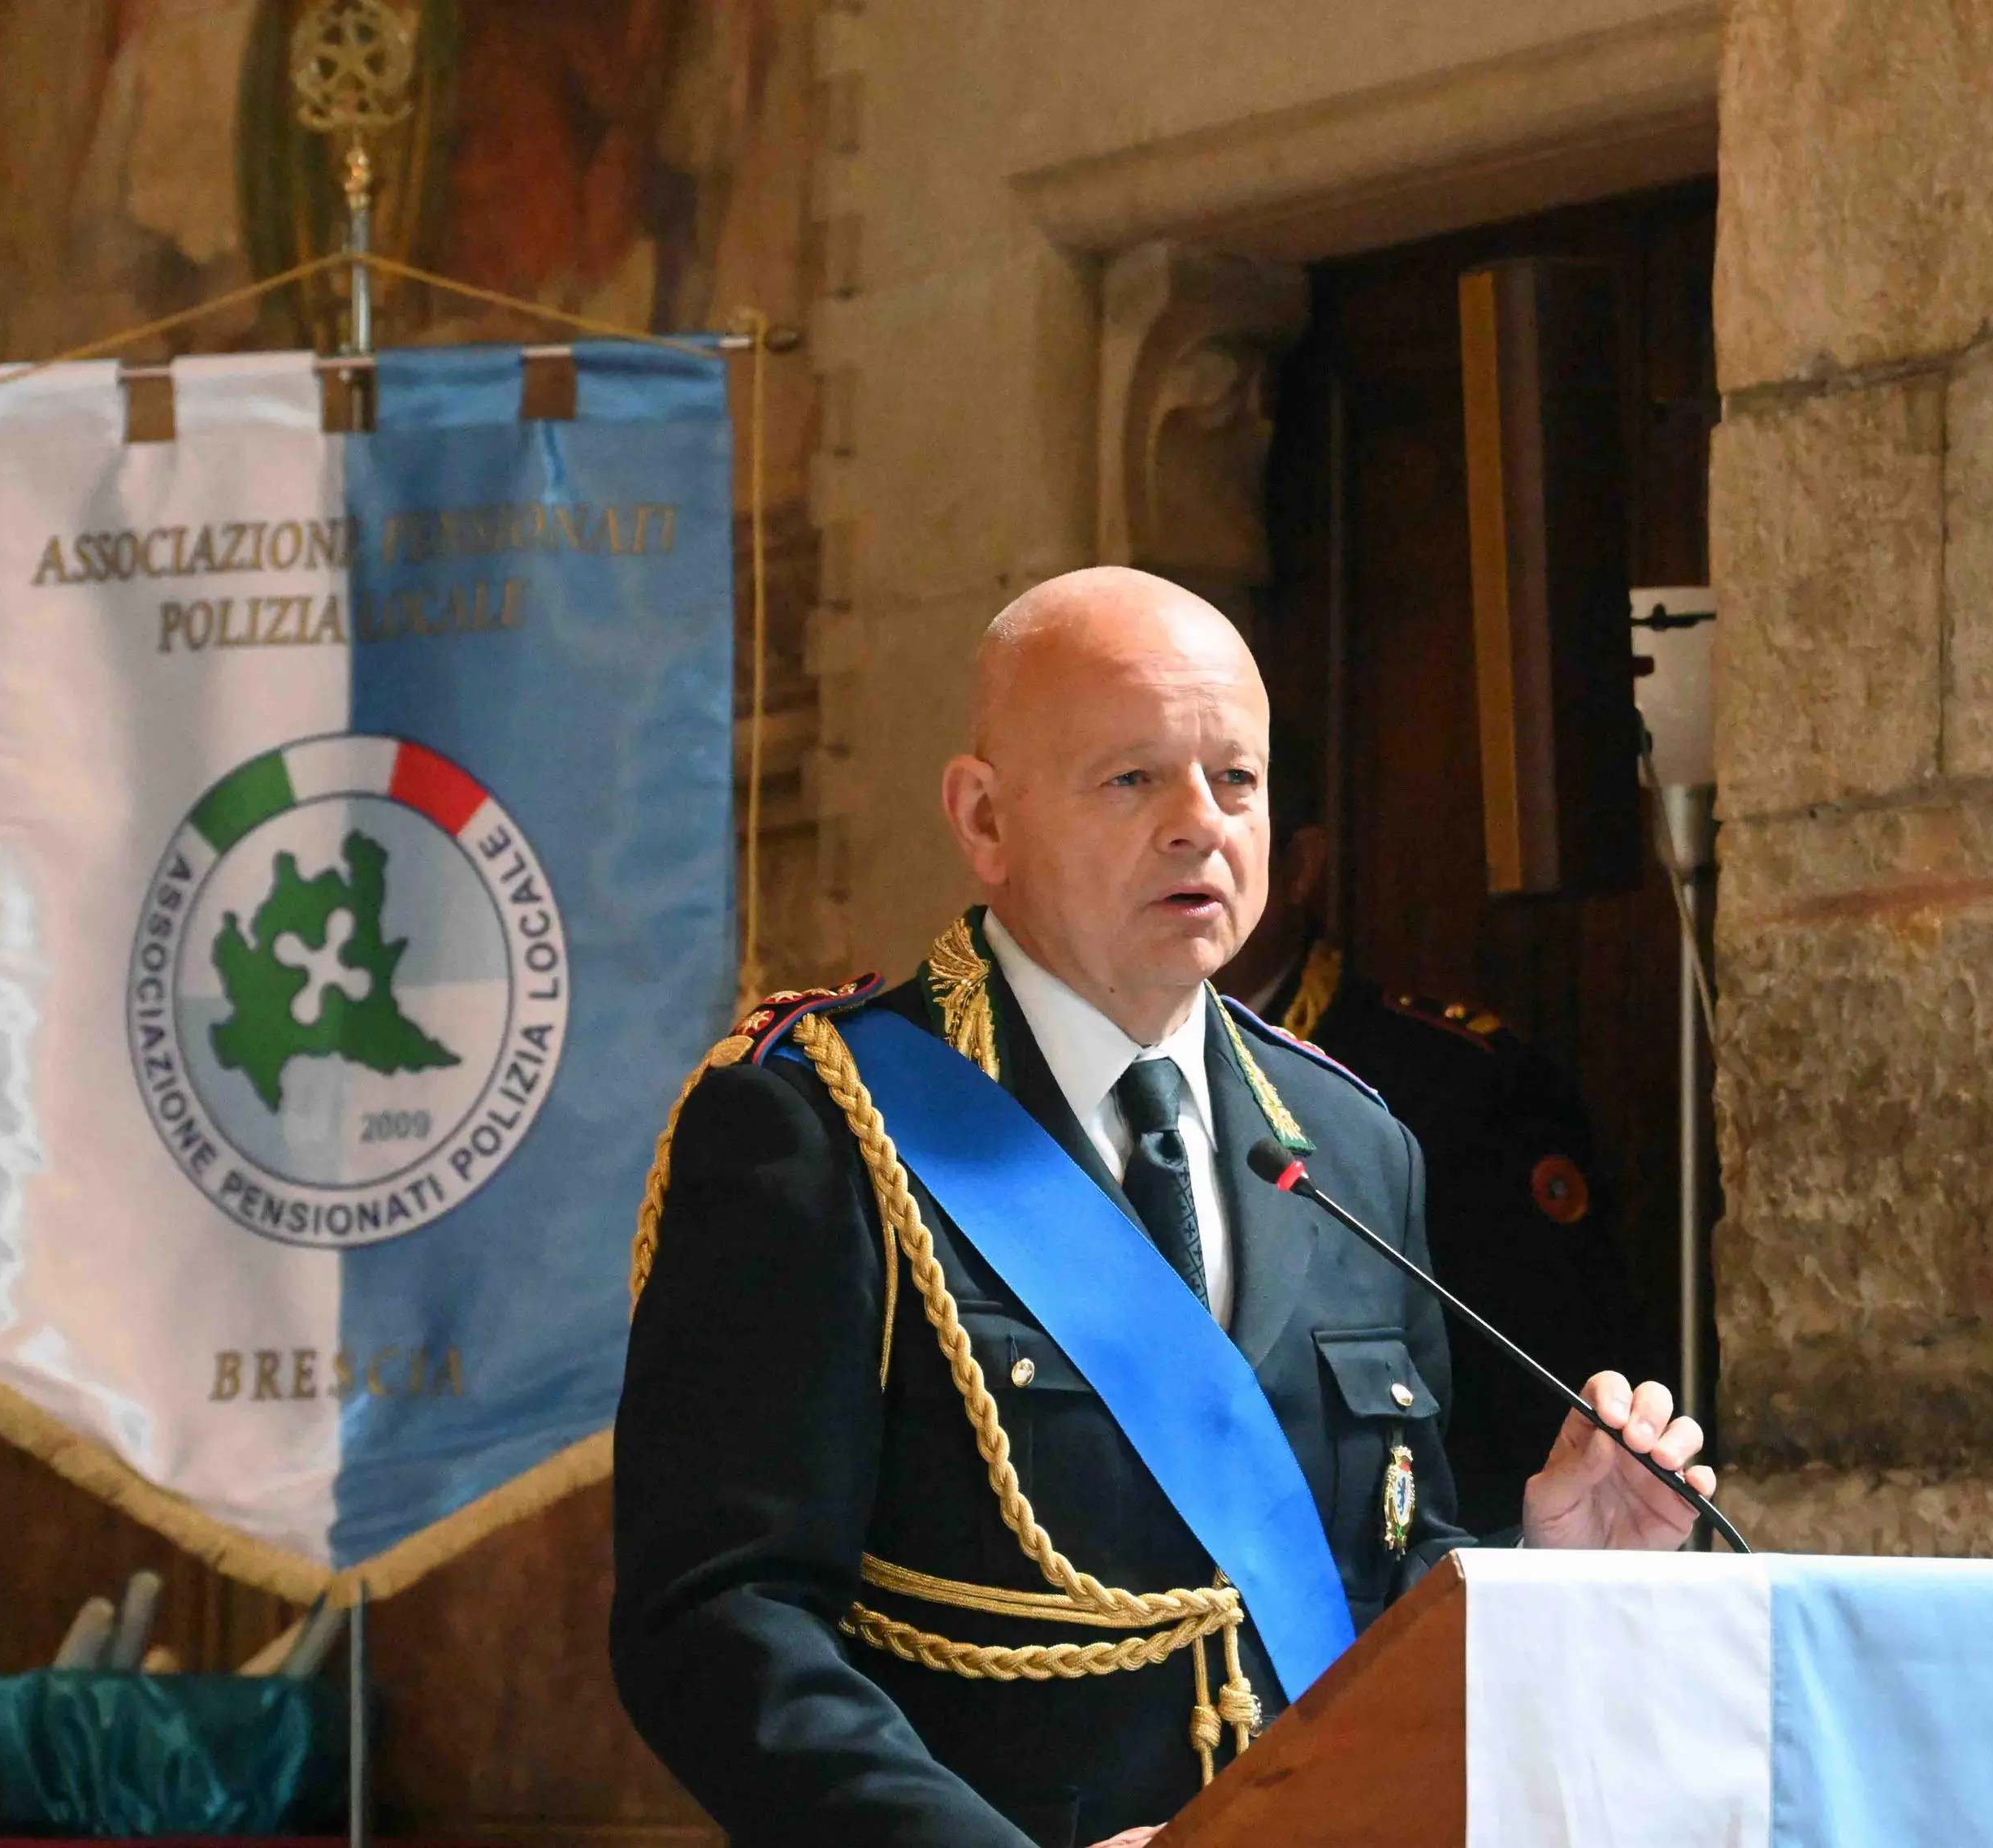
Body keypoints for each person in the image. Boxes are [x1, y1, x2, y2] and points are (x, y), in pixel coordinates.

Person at [611, 567, 1713, 1848]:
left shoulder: (1353, 1144)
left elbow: (1360, 1586)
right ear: (983, 817)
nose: (1200, 825)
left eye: (1235, 780)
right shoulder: (818, 1127)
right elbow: (720, 1619)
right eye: (1131, 779)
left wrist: (1541, 1572)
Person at [1215, 762, 1657, 1535]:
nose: (1184, 838)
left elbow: (1540, 1402)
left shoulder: (1452, 1087)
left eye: (1230, 792)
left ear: (1301, 864)